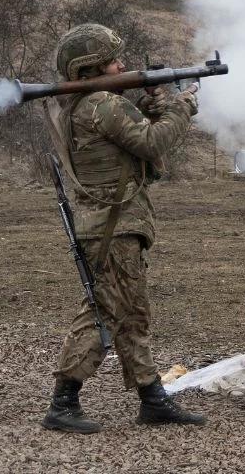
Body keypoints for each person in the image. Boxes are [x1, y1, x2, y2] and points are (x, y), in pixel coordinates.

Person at [40, 23, 204, 434]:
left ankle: (152, 399)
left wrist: (154, 106)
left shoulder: (81, 105)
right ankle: (64, 400)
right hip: (113, 226)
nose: (122, 65)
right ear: (91, 68)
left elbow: (130, 138)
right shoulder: (103, 105)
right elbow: (151, 144)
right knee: (106, 310)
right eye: (113, 60)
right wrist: (181, 106)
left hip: (107, 225)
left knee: (132, 313)